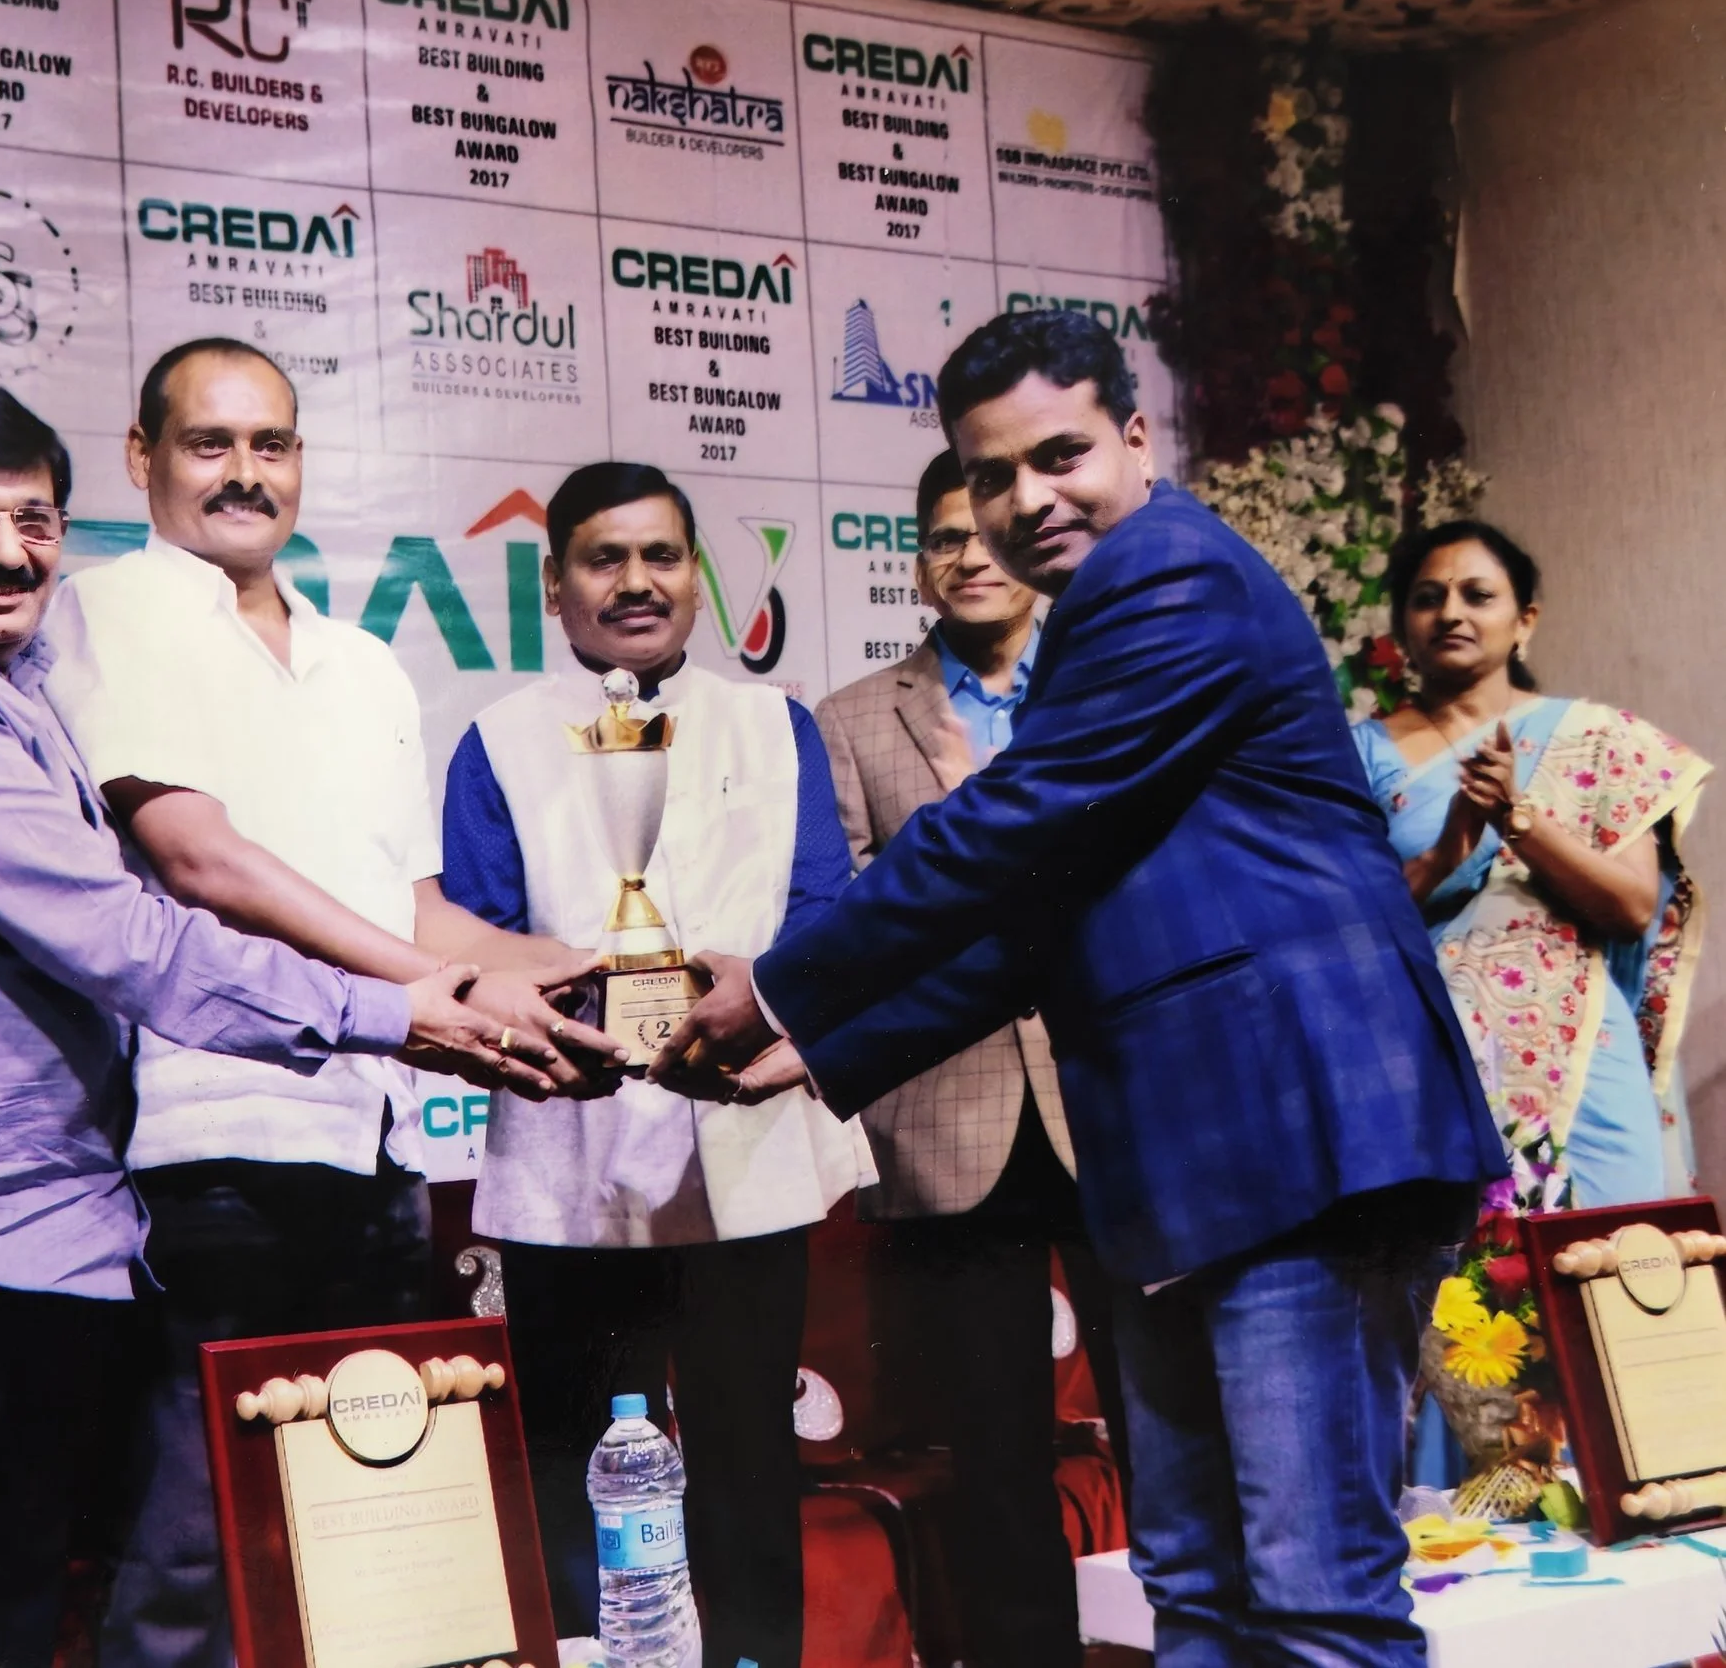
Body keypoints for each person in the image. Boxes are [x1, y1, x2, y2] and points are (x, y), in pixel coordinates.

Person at [652, 308, 1507, 1667]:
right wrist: (821, 1047)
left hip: (1306, 1140)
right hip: (1189, 1167)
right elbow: (1046, 915)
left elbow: (1018, 830)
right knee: (1198, 1587)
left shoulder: (1172, 579)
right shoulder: (1096, 624)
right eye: (990, 475)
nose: (1026, 500)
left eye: (1059, 455)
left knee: (1311, 1595)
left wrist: (782, 987)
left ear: (1137, 436)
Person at [0, 377, 555, 1668]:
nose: (7, 553)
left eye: (35, 521)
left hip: (36, 1229)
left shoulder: (19, 674)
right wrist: (386, 1010)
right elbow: (122, 929)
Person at [42, 338, 618, 1668]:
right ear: (143, 459)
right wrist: (434, 986)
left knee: (368, 1541)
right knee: (190, 1552)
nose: (246, 473)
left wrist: (588, 967)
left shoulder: (362, 663)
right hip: (206, 1150)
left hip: (376, 1147)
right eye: (210, 442)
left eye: (273, 444)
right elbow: (199, 856)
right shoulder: (104, 609)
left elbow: (418, 908)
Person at [440, 461, 864, 1668]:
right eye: (602, 558)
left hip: (739, 1135)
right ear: (555, 583)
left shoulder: (773, 722)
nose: (636, 582)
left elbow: (825, 908)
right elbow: (474, 927)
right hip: (568, 1146)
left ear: (697, 576)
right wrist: (578, 985)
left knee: (745, 1458)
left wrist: (747, 992)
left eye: (661, 556)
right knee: (579, 1464)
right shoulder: (499, 738)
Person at [811, 448, 1119, 1668]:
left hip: (1113, 1098)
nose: (969, 556)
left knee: (1161, 1416)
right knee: (991, 1443)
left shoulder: (1106, 693)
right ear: (919, 564)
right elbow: (840, 921)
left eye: (987, 531)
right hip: (946, 1113)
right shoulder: (848, 720)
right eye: (942, 538)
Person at [1356, 519, 1708, 1213]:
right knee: (1468, 1302)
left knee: (1609, 1280)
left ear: (1525, 620)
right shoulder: (1356, 755)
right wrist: (1444, 855)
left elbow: (1635, 907)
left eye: (1477, 594)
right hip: (1435, 1060)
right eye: (1428, 597)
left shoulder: (1600, 736)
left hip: (1584, 1057)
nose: (1451, 611)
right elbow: (1346, 929)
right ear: (1402, 628)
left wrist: (1522, 818)